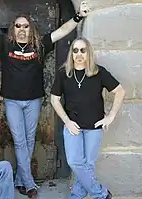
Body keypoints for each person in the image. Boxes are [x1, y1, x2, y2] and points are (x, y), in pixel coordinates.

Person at [0, 1, 91, 197]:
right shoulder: (4, 44)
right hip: (12, 101)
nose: (21, 29)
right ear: (13, 29)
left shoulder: (40, 45)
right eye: (18, 26)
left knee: (28, 140)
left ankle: (20, 179)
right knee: (19, 142)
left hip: (33, 100)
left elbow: (62, 31)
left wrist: (79, 17)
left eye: (25, 26)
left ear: (30, 29)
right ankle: (29, 184)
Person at [50, 37, 126, 199]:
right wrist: (67, 121)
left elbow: (120, 91)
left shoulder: (99, 72)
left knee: (88, 166)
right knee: (75, 162)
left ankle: (76, 195)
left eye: (83, 50)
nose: (79, 54)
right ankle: (101, 194)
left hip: (94, 127)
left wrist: (110, 116)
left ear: (88, 52)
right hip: (73, 127)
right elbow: (54, 99)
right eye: (75, 50)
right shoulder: (64, 73)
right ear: (71, 54)